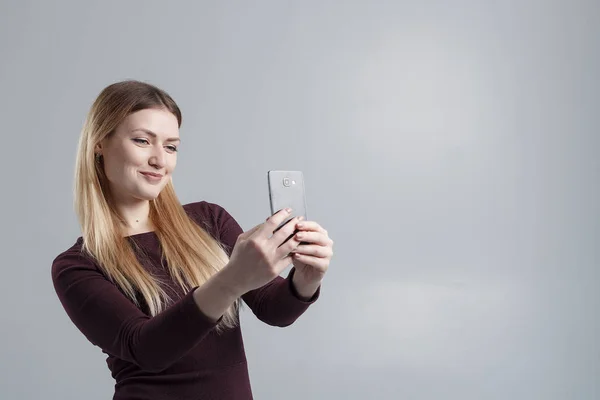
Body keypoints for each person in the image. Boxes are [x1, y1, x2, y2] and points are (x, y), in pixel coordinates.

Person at [51, 80, 334, 400]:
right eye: (143, 141)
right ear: (100, 143)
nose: (160, 160)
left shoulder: (209, 220)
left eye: (171, 146)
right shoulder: (76, 266)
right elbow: (147, 348)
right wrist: (232, 280)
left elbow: (274, 309)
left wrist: (306, 279)